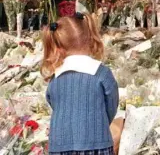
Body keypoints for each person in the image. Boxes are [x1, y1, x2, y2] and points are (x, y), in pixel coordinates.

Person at [41, 12, 119, 155]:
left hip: (60, 145)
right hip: (97, 144)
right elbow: (112, 105)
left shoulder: (56, 78)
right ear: (90, 38)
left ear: (60, 47)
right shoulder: (101, 73)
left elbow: (54, 103)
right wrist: (99, 122)